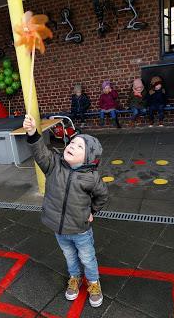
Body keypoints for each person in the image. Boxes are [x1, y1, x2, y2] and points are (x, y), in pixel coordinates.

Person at [23, 114, 108, 308]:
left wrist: (92, 211)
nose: (72, 146)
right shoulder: (53, 165)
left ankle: (93, 282)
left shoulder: (91, 178)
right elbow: (40, 153)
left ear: (88, 158)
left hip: (80, 229)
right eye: (72, 142)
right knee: (69, 256)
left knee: (87, 257)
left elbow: (102, 196)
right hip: (59, 229)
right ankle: (75, 278)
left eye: (79, 147)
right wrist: (32, 132)